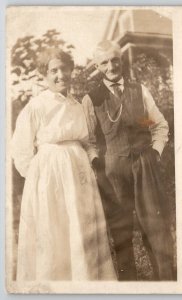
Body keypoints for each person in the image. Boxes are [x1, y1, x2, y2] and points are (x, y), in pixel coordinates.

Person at [11, 47, 116, 281]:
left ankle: (85, 282)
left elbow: (87, 142)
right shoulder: (36, 106)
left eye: (64, 69)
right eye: (53, 70)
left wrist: (91, 162)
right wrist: (38, 180)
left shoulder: (76, 105)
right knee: (54, 229)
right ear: (45, 75)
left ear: (71, 70)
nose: (60, 75)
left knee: (81, 228)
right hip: (49, 177)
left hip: (79, 175)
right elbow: (20, 150)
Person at [82, 40, 174, 281]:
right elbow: (89, 141)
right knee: (120, 232)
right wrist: (97, 164)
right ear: (97, 66)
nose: (111, 66)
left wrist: (154, 152)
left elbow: (159, 125)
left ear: (120, 59)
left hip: (145, 165)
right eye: (104, 62)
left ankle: (167, 283)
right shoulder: (91, 99)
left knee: (156, 228)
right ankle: (128, 287)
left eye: (115, 59)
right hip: (112, 171)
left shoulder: (139, 90)